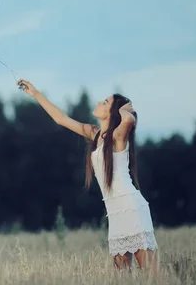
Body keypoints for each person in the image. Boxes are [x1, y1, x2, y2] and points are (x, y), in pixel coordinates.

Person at [17, 78, 158, 271]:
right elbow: (61, 119)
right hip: (115, 212)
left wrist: (125, 109)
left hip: (131, 208)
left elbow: (129, 120)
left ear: (112, 113)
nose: (99, 103)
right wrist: (35, 94)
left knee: (152, 276)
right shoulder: (96, 134)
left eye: (105, 103)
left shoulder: (118, 137)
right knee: (122, 282)